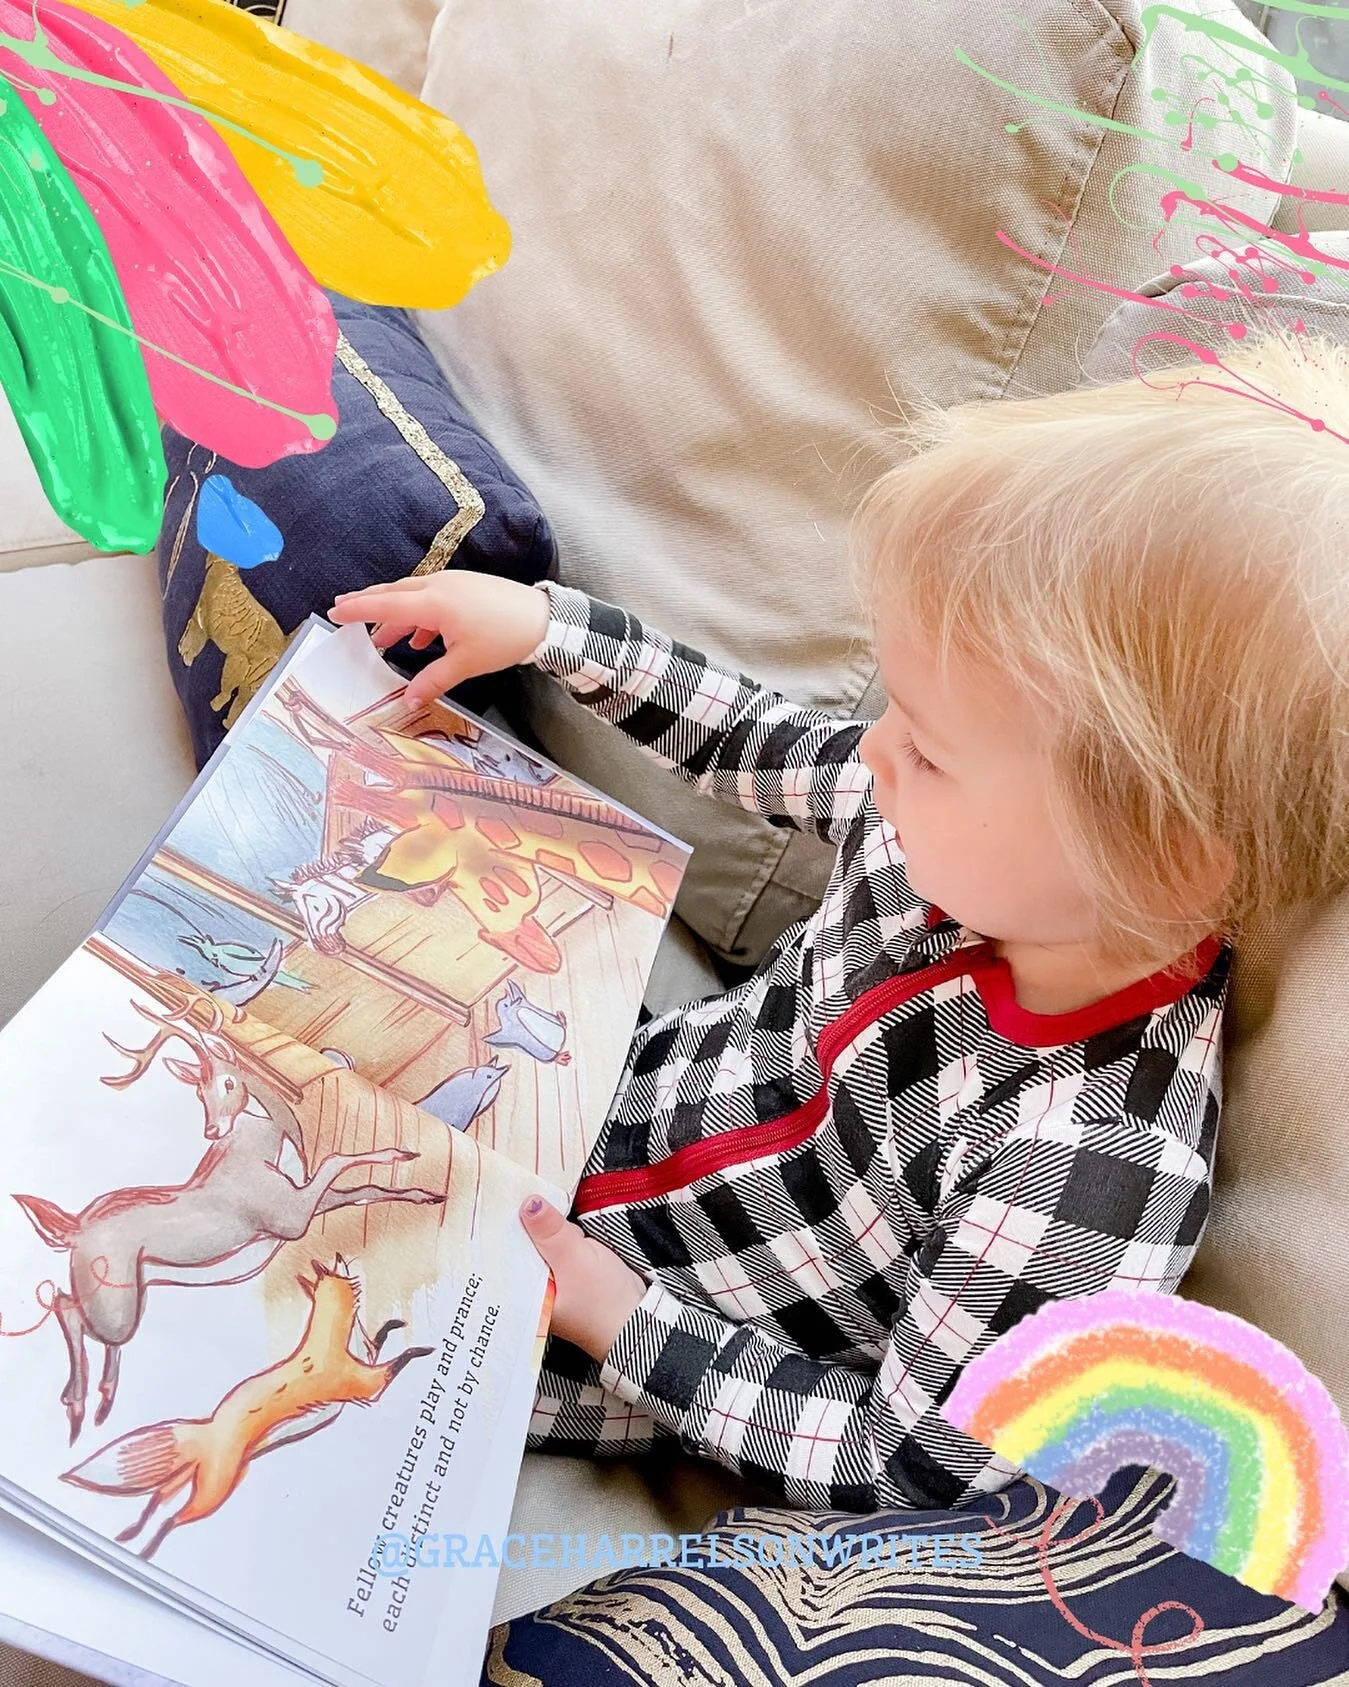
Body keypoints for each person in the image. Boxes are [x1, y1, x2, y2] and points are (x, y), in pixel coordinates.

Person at [329, 327, 1349, 1513]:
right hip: (592, 1086)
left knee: (308, 1326)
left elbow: (911, 1464)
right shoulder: (943, 834)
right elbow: (757, 738)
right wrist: (552, 633)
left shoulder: (1095, 1164)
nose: (874, 751)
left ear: (1159, 855)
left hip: (612, 1327)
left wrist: (620, 1320)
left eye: (925, 743)